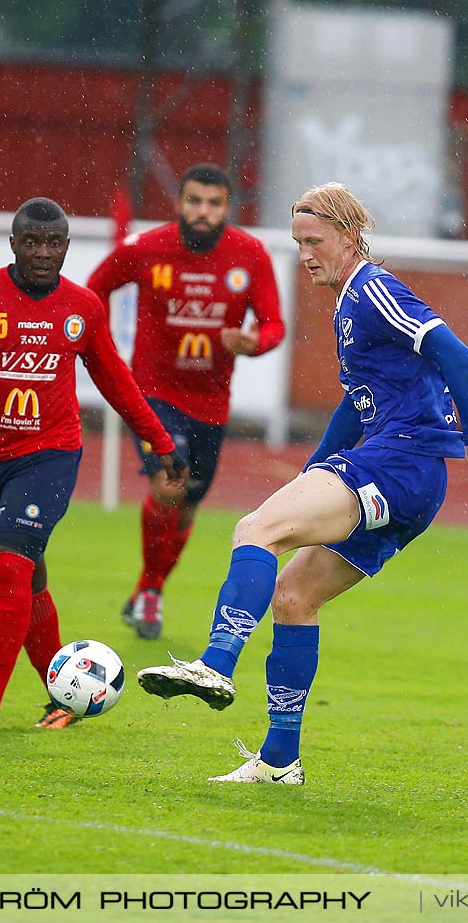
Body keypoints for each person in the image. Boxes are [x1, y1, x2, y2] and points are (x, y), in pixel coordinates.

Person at [136, 182, 468, 784]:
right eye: (297, 242)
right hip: (410, 477)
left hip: (402, 462)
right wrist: (318, 467)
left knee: (257, 528)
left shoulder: (374, 289)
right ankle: (280, 762)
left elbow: (458, 356)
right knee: (294, 598)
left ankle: (215, 664)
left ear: (349, 234)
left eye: (315, 240)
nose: (305, 253)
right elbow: (356, 405)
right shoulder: (347, 302)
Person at [0, 197, 186, 731]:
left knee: (10, 562)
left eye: (53, 243)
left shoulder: (82, 307)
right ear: (13, 243)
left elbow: (116, 383)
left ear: (65, 246)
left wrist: (158, 441)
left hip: (52, 455)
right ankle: (64, 698)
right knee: (27, 578)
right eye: (31, 242)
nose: (42, 252)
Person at [86, 164, 286, 640]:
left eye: (213, 203)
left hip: (212, 404)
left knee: (188, 506)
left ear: (227, 208)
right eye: (194, 201)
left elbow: (275, 324)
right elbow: (93, 292)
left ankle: (145, 590)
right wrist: (105, 350)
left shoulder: (250, 255)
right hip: (151, 393)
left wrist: (252, 342)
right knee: (169, 483)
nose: (203, 212)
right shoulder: (146, 248)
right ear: (178, 203)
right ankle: (152, 596)